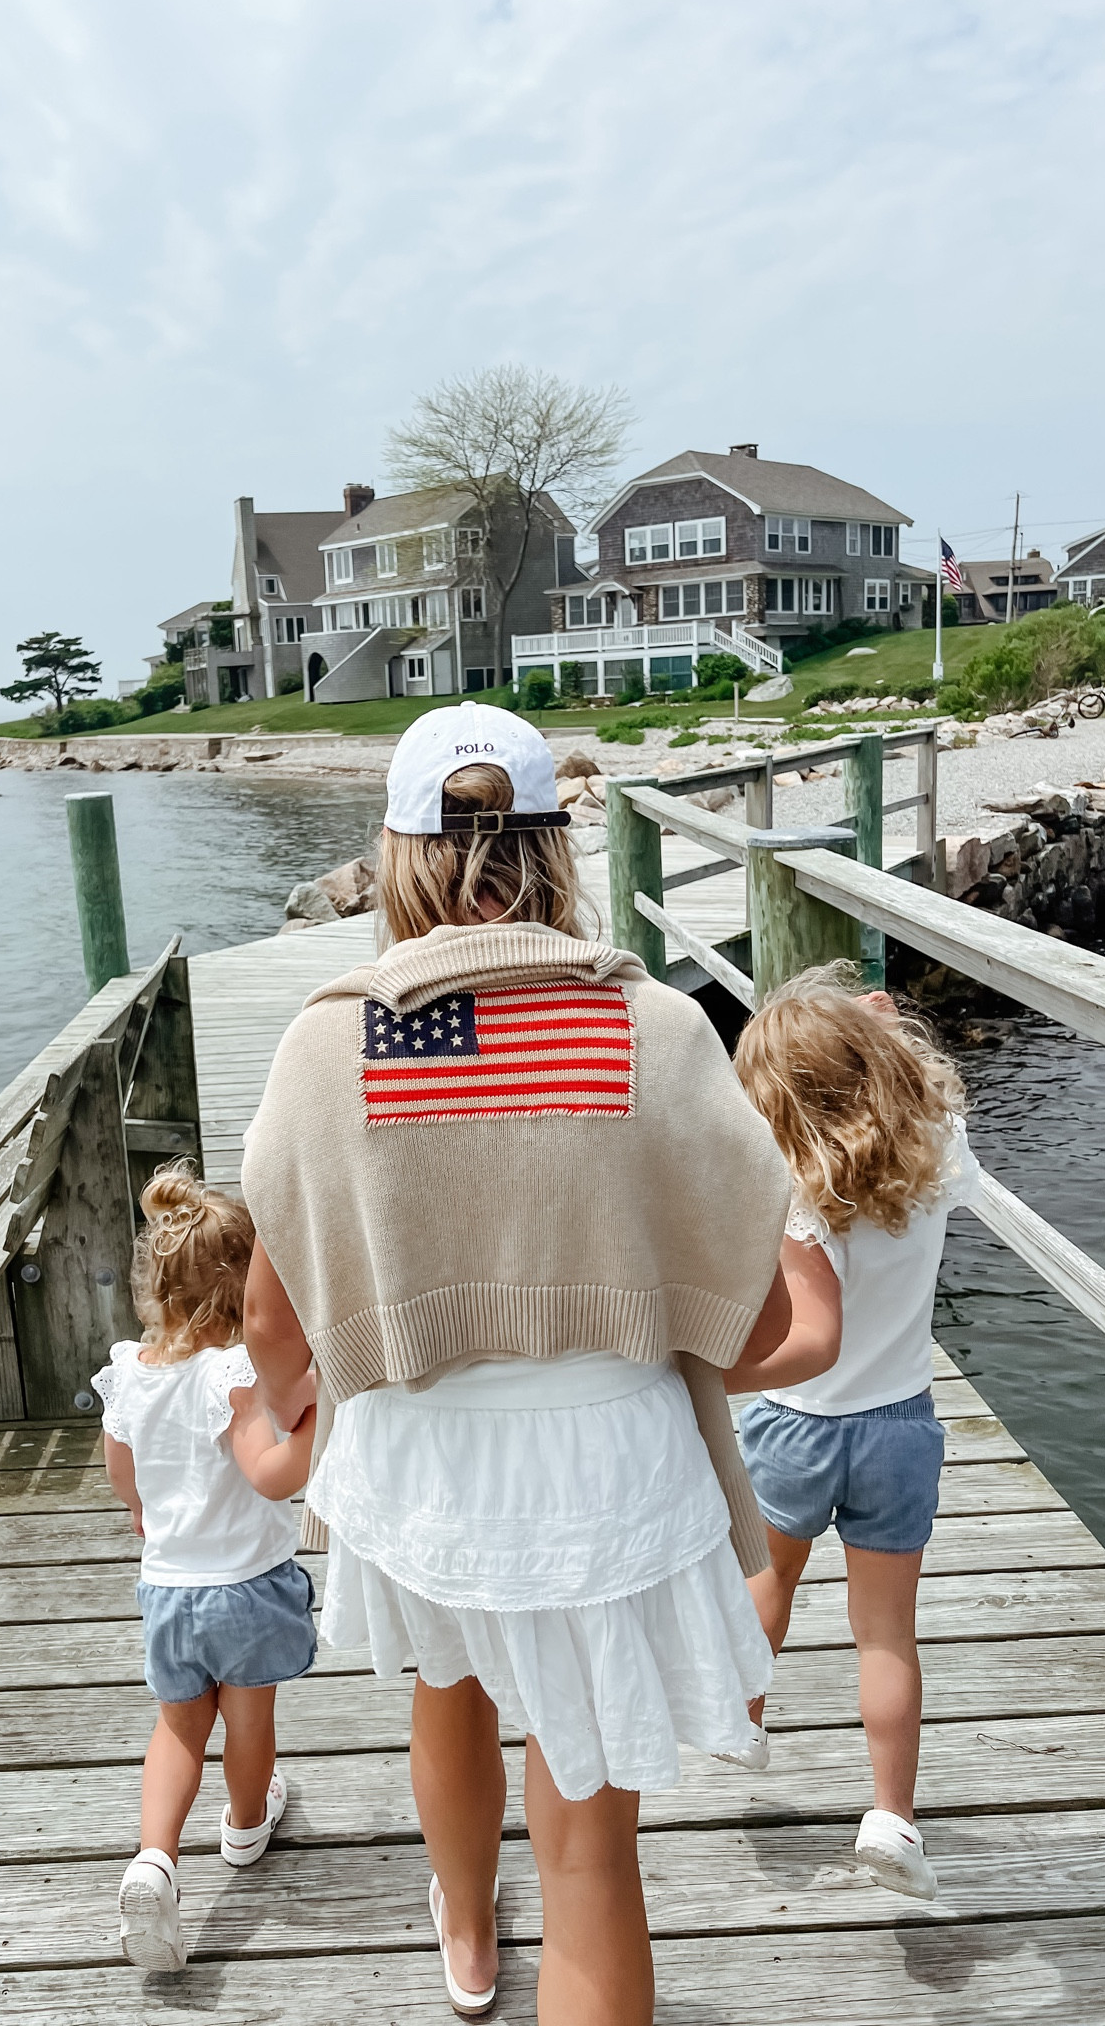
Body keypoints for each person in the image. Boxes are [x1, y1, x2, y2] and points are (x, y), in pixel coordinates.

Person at [238, 702, 829, 2025]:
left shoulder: (331, 1043)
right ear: (556, 848)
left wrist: (306, 1398)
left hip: (419, 1464)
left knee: (446, 1689)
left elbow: (278, 1327)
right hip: (608, 1470)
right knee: (588, 1856)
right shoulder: (656, 1029)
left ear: (393, 856)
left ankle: (458, 1930)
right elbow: (770, 1308)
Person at [728, 967, 979, 1901]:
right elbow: (906, 1069)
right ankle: (892, 1819)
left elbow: (813, 1341)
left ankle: (743, 1721)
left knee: (768, 1586)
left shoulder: (803, 1192)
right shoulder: (942, 1149)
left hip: (798, 1429)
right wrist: (874, 1029)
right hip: (902, 1428)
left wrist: (718, 1379)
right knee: (886, 1638)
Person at [93, 1164, 318, 1972]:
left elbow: (125, 1479)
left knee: (179, 1728)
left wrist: (145, 1516)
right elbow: (271, 1474)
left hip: (169, 1591)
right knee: (247, 1721)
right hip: (248, 1587)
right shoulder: (232, 1377)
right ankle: (247, 1823)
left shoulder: (131, 1374)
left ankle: (154, 1858)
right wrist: (325, 1418)